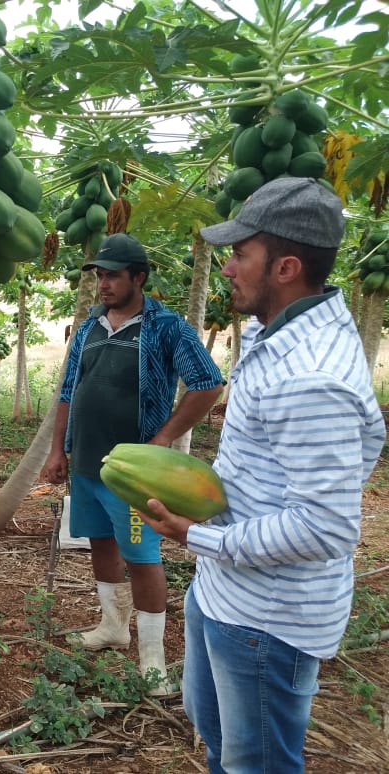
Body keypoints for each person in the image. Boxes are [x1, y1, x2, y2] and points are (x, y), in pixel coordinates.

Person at [138, 177, 386, 772]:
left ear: (286, 267)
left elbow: (326, 528)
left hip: (266, 620)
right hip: (225, 588)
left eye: (241, 254)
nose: (226, 268)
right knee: (221, 745)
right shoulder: (277, 330)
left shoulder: (311, 377)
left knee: (258, 764)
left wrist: (195, 536)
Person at [41, 233, 225, 694]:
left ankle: (154, 662)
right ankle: (112, 627)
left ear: (139, 277)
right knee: (101, 543)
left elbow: (207, 383)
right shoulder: (88, 327)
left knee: (142, 556)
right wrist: (56, 449)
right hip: (87, 462)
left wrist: (163, 439)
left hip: (135, 475)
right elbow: (68, 390)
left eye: (113, 276)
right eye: (99, 275)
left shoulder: (166, 327)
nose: (103, 284)